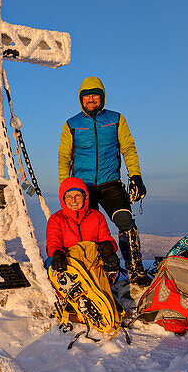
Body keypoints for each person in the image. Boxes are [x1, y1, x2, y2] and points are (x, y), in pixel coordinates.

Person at [58, 76, 151, 285]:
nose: (91, 99)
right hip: (83, 187)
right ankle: (92, 273)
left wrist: (135, 176)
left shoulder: (116, 119)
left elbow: (128, 148)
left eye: (95, 95)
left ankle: (135, 270)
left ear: (103, 98)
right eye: (87, 96)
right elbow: (64, 157)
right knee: (86, 231)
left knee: (125, 221)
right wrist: (66, 188)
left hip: (111, 183)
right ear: (81, 99)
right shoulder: (72, 124)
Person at [46, 177, 122, 280]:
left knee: (112, 258)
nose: (73, 200)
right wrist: (57, 253)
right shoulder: (56, 219)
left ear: (85, 197)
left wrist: (109, 246)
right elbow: (53, 242)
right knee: (51, 262)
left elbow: (107, 239)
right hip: (69, 261)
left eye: (77, 195)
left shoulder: (97, 216)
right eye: (69, 196)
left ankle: (104, 285)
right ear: (63, 198)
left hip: (92, 261)